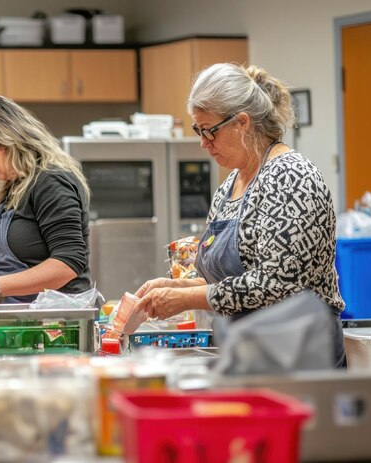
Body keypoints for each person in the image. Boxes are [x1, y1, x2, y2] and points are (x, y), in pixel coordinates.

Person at [132, 63, 346, 366]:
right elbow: (226, 281)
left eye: (209, 131)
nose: (203, 142)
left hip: (300, 355)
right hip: (251, 351)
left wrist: (185, 299)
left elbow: (275, 284)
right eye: (198, 130)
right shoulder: (230, 185)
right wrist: (174, 288)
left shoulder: (290, 176)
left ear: (242, 122)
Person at [0, 95, 92, 304]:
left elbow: (67, 263)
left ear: (10, 140)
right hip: (22, 316)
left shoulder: (51, 181)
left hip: (57, 321)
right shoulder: (14, 186)